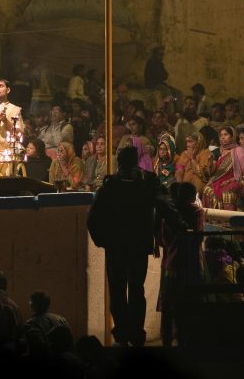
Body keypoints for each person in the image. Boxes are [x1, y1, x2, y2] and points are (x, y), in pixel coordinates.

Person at [87, 146, 179, 346]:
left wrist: (103, 240)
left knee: (118, 290)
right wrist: (181, 227)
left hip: (116, 246)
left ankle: (121, 333)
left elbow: (92, 218)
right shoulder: (148, 182)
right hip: (139, 244)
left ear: (119, 162)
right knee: (137, 290)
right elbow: (166, 206)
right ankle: (136, 333)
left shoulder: (110, 185)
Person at [158, 182, 202, 346]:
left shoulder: (169, 211)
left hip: (171, 261)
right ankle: (186, 338)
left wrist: (172, 248)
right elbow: (199, 236)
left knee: (169, 302)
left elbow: (164, 239)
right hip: (191, 263)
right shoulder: (196, 211)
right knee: (190, 301)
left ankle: (167, 339)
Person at [202, 126, 244, 211]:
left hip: (235, 179)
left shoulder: (238, 150)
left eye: (225, 134)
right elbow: (213, 173)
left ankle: (228, 220)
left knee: (227, 192)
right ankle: (213, 219)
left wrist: (229, 181)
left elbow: (243, 172)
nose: (222, 137)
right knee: (207, 189)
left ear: (232, 136)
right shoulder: (218, 151)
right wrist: (211, 162)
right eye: (221, 135)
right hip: (219, 180)